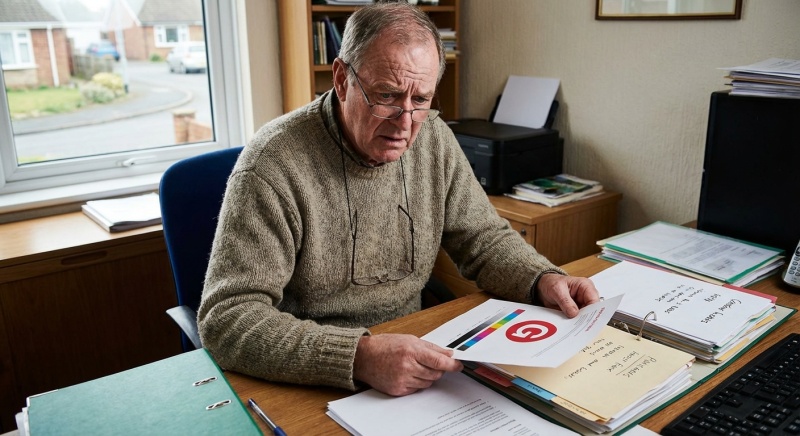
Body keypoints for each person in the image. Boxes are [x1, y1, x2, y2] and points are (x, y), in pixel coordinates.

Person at [198, 2, 599, 397]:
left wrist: (540, 278)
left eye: (421, 100)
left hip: (411, 355)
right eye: (387, 96)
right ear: (342, 79)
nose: (405, 123)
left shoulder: (433, 138)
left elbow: (483, 237)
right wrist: (357, 356)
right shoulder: (273, 165)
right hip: (310, 374)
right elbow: (227, 318)